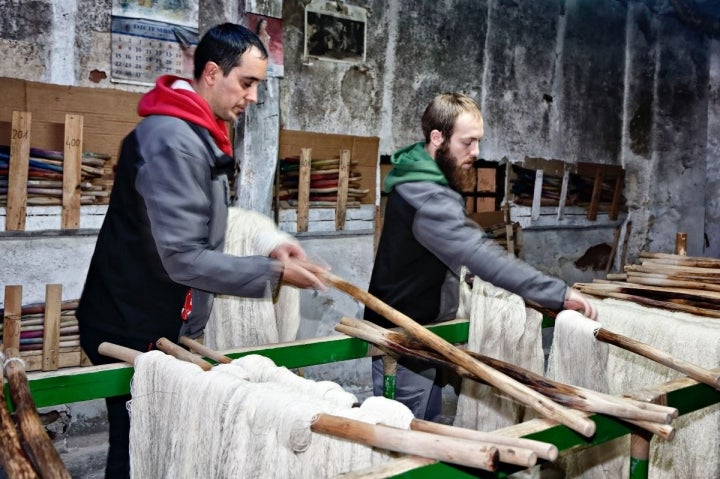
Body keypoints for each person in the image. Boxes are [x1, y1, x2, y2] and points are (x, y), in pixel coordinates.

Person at [76, 23, 326, 479]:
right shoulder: (172, 141)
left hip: (155, 315)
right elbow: (182, 256)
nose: (252, 97)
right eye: (246, 83)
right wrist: (272, 275)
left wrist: (273, 246)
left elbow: (203, 223)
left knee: (157, 438)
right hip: (127, 323)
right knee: (139, 446)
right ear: (212, 73)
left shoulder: (197, 134)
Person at [364, 92, 598, 422]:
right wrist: (558, 293)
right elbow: (477, 252)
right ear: (437, 138)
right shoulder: (427, 192)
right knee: (405, 440)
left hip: (425, 330)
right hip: (402, 340)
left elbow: (446, 248)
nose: (476, 152)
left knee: (426, 426)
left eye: (478, 142)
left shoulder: (420, 172)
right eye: (468, 142)